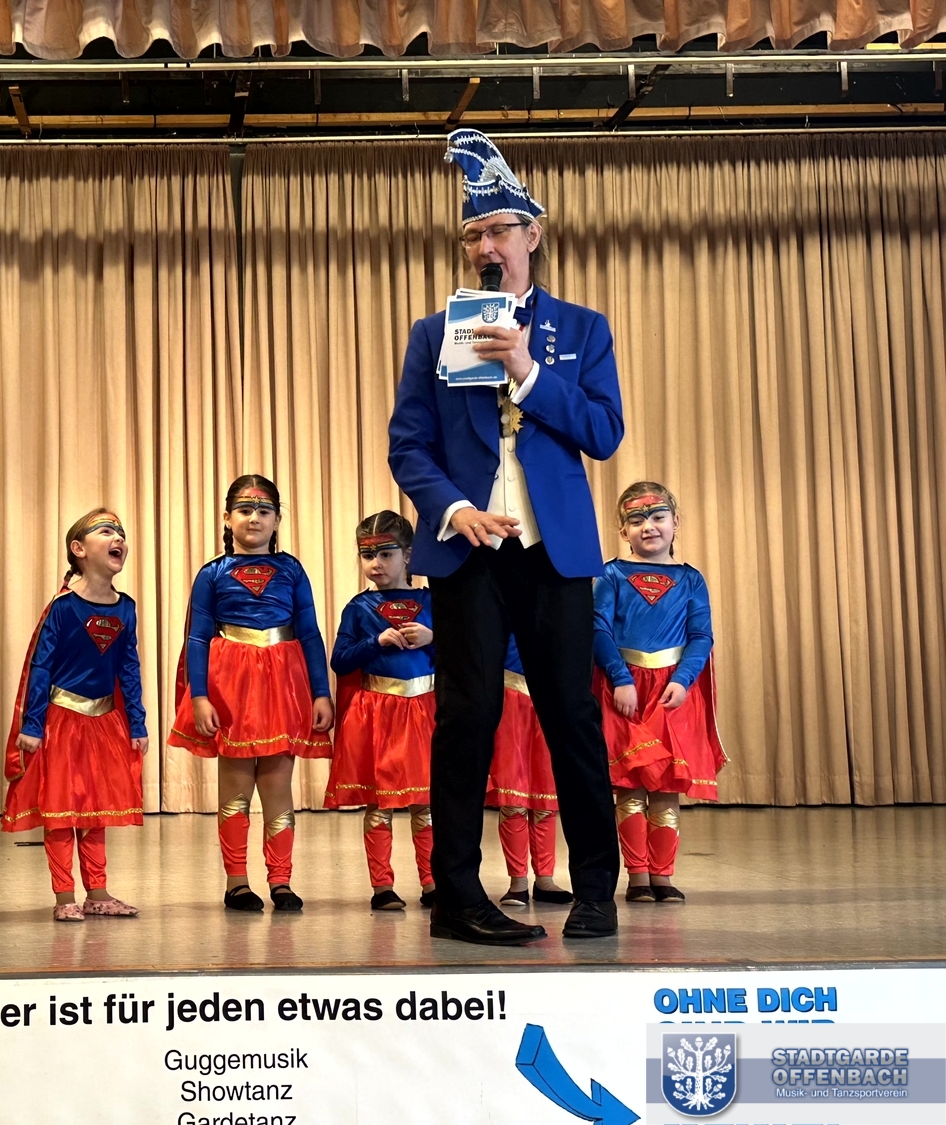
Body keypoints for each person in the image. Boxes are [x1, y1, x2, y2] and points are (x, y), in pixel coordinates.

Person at [388, 128, 625, 945]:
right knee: (466, 716)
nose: (485, 248)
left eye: (497, 231)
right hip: (468, 551)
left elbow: (602, 432)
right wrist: (454, 509)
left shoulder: (581, 329)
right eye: (472, 236)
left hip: (553, 553)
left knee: (570, 714)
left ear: (532, 234)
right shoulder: (433, 333)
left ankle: (594, 887)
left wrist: (527, 371)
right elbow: (407, 445)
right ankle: (456, 895)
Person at [169, 475, 333, 913]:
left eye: (263, 511)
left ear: (277, 519)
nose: (254, 518)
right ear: (227, 518)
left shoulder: (292, 570)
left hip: (283, 685)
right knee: (236, 789)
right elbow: (197, 638)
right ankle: (237, 882)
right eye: (244, 510)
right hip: (231, 686)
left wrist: (321, 692)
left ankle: (281, 880)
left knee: (278, 788)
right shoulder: (211, 574)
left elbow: (310, 633)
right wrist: (199, 696)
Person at [2, 509, 147, 921]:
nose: (118, 537)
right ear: (79, 549)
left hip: (104, 721)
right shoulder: (63, 608)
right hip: (61, 720)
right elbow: (40, 666)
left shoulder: (126, 608)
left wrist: (137, 722)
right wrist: (33, 724)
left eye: (121, 532)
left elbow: (128, 668)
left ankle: (97, 892)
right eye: (106, 531)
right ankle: (64, 895)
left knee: (96, 810)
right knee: (61, 811)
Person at [593, 482, 725, 904]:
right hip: (625, 691)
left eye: (657, 517)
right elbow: (598, 628)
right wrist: (620, 678)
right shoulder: (611, 574)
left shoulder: (691, 579)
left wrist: (683, 680)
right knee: (630, 784)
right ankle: (637, 876)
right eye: (636, 520)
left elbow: (701, 635)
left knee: (666, 785)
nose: (648, 526)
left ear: (675, 522)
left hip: (672, 693)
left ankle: (662, 875)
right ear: (623, 530)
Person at [324, 512, 436, 911]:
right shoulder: (359, 607)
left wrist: (433, 636)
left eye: (386, 554)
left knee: (427, 803)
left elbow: (466, 654)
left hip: (425, 710)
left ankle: (432, 883)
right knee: (379, 803)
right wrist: (375, 641)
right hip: (378, 714)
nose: (376, 564)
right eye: (368, 555)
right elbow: (340, 660)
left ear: (408, 555)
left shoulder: (431, 601)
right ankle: (382, 886)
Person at [485, 638, 572, 908]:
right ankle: (518, 881)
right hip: (508, 692)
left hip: (552, 693)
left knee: (546, 797)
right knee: (513, 796)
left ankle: (545, 878)